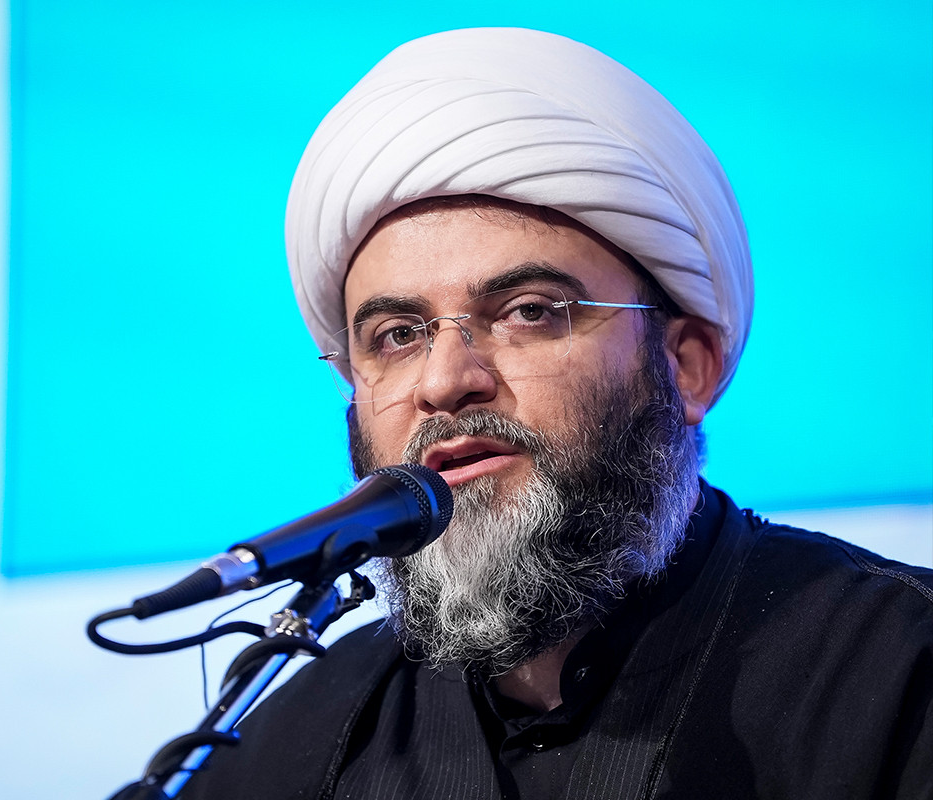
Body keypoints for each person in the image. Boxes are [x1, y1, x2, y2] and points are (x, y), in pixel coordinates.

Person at [181, 28, 933, 799]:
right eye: (398, 335)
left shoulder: (899, 672)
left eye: (529, 311)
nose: (446, 382)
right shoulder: (286, 752)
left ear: (685, 365)